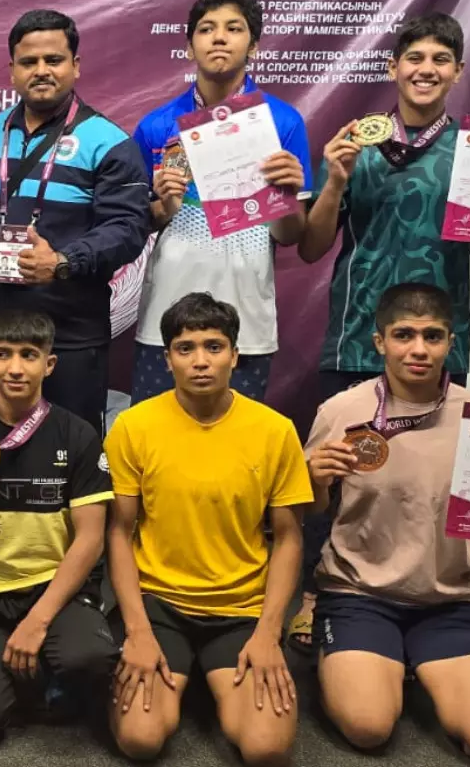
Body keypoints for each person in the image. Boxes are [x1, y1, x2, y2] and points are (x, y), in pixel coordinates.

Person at [290, 12, 470, 649]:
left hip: (443, 339)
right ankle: (317, 592)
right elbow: (309, 246)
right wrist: (334, 181)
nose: (426, 69)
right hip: (356, 333)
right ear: (393, 67)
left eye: (440, 60)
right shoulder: (354, 143)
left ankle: (439, 596)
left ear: (458, 71)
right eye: (414, 57)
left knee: (434, 477)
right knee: (338, 471)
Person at [303, 283, 470, 762]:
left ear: (451, 342)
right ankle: (364, 661)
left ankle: (405, 661)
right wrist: (316, 481)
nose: (419, 349)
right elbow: (312, 510)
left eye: (433, 336)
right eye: (403, 335)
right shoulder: (342, 411)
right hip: (359, 593)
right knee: (368, 727)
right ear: (379, 341)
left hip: (449, 599)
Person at [103, 293, 312, 766]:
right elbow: (119, 532)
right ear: (167, 359)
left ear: (235, 355)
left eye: (214, 347)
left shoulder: (275, 430)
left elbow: (289, 538)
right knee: (140, 740)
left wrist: (268, 632)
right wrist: (136, 630)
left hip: (240, 609)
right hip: (159, 603)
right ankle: (179, 677)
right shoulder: (133, 426)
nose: (201, 361)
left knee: (266, 749)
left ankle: (206, 679)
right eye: (186, 348)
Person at [0, 9, 150, 434]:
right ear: (12, 71)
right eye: (29, 61)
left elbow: (128, 229)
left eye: (53, 60)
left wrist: (62, 261)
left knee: (72, 447)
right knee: (0, 447)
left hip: (71, 334)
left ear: (75, 66)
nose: (41, 70)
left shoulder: (109, 142)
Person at [0, 309, 116, 746]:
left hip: (56, 586)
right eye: (4, 354)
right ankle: (25, 679)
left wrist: (37, 620)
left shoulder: (78, 434)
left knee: (90, 657)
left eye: (29, 355)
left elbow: (91, 540)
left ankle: (44, 669)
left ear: (48, 364)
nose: (16, 368)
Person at [130, 0, 311, 402]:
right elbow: (134, 228)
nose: (219, 38)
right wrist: (164, 207)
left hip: (246, 322)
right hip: (165, 319)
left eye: (234, 28)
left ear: (254, 46)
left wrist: (286, 194)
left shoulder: (282, 122)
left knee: (235, 440)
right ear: (189, 47)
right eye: (207, 28)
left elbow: (290, 235)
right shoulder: (156, 126)